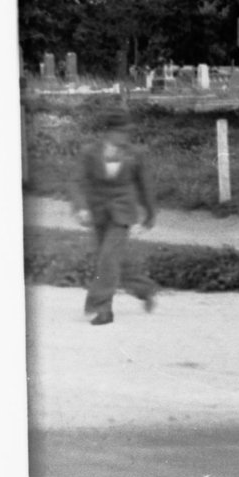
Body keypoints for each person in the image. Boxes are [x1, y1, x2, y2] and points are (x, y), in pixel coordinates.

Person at [69, 110, 159, 325]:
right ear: (109, 132)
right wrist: (81, 207)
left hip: (122, 214)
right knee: (112, 261)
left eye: (127, 132)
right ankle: (145, 289)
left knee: (107, 259)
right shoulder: (89, 152)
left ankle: (102, 308)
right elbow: (76, 182)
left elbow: (145, 186)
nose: (125, 136)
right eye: (120, 132)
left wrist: (150, 215)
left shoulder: (135, 154)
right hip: (97, 213)